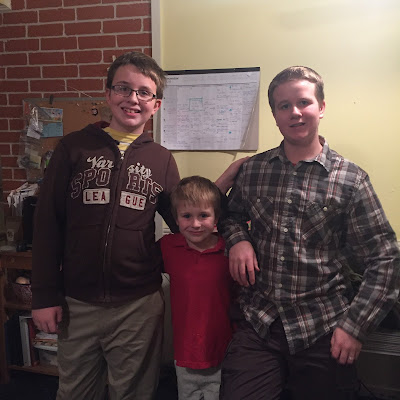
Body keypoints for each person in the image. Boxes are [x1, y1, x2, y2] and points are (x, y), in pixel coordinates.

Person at [30, 51, 242, 400]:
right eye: (123, 88)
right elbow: (46, 223)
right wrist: (43, 295)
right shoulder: (73, 148)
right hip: (77, 301)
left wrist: (224, 188)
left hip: (138, 305)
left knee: (134, 393)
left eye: (144, 92)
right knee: (75, 392)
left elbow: (186, 219)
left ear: (156, 105)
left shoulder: (161, 159)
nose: (133, 98)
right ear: (108, 93)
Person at [218, 66, 400, 400]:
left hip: (322, 326)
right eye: (284, 105)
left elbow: (386, 259)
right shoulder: (254, 170)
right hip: (259, 322)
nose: (295, 112)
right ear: (275, 115)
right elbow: (230, 216)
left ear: (321, 107)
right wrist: (238, 240)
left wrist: (355, 326)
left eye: (304, 102)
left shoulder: (351, 180)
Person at [160, 176, 234, 400]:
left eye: (203, 215)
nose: (195, 224)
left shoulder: (230, 250)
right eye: (187, 216)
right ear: (176, 218)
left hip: (223, 352)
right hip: (184, 353)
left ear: (216, 218)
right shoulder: (168, 246)